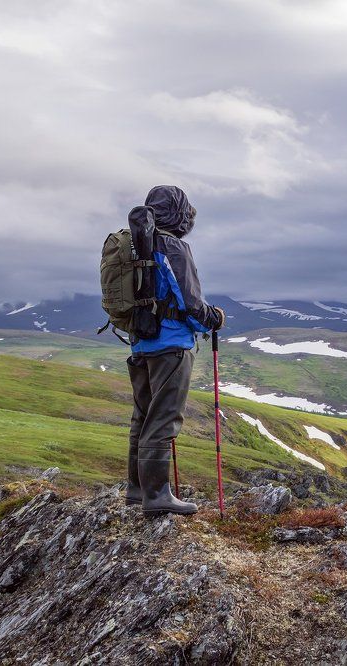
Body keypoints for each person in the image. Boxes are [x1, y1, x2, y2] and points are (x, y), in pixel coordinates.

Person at [125, 186, 224, 517]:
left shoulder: (136, 243)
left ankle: (137, 492)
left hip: (140, 342)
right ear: (180, 213)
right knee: (164, 417)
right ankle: (157, 495)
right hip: (171, 345)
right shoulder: (174, 246)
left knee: (143, 415)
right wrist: (215, 318)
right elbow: (191, 304)